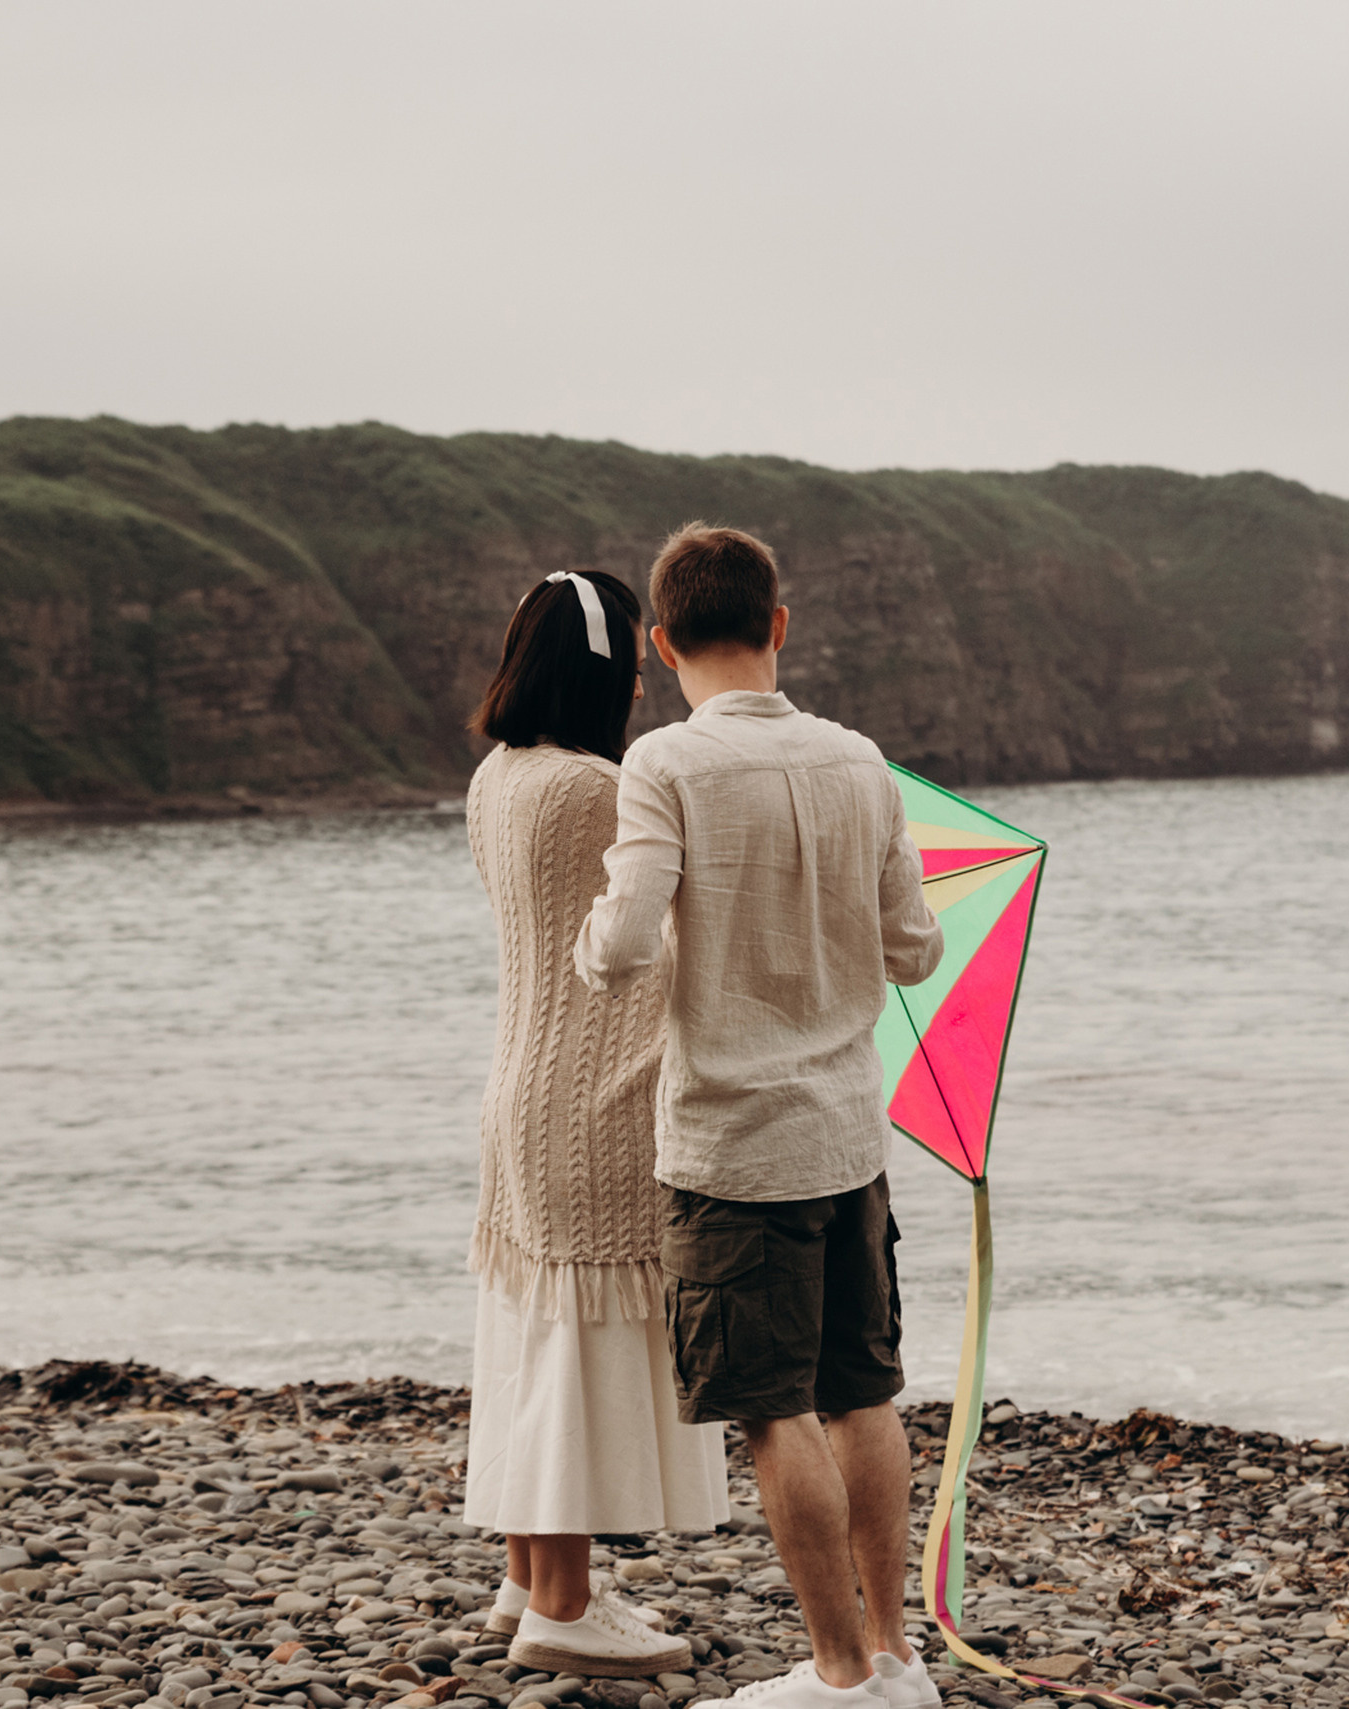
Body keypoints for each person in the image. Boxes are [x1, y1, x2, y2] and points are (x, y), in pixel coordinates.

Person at [577, 525, 947, 1709]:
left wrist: (590, 946)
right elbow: (916, 947)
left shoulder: (663, 764)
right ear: (778, 625)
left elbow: (624, 944)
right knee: (863, 1389)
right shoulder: (861, 758)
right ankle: (892, 1656)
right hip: (848, 1127)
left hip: (734, 1141)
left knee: (776, 1405)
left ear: (659, 637)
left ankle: (838, 1675)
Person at [461, 567, 728, 1679]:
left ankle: (530, 1570)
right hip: (601, 1094)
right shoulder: (596, 790)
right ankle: (564, 1602)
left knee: (532, 1330)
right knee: (576, 1340)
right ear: (605, 670)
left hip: (519, 1084)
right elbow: (670, 928)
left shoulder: (498, 775)